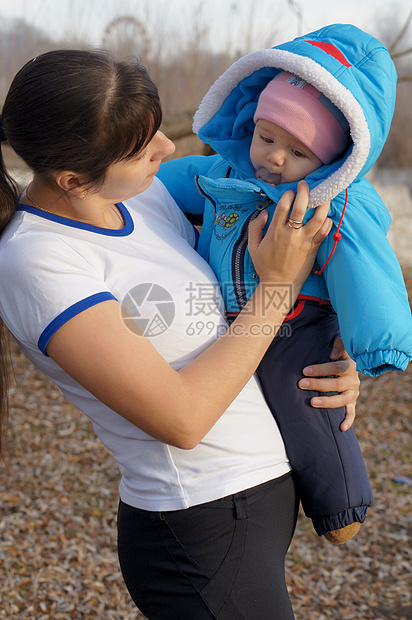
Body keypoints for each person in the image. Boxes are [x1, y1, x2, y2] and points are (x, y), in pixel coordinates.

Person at [0, 49, 359, 620]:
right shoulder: (39, 261)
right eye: (143, 148)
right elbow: (182, 419)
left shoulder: (145, 197)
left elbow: (234, 305)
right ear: (72, 179)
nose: (168, 148)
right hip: (200, 529)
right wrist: (279, 288)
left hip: (257, 503)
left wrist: (335, 359)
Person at [157, 23, 412, 544]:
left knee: (307, 400)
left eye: (297, 153)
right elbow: (159, 184)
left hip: (299, 322)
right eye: (266, 137)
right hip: (230, 322)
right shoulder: (220, 173)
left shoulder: (334, 204)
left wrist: (379, 343)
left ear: (333, 159)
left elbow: (369, 270)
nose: (274, 158)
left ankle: (341, 502)